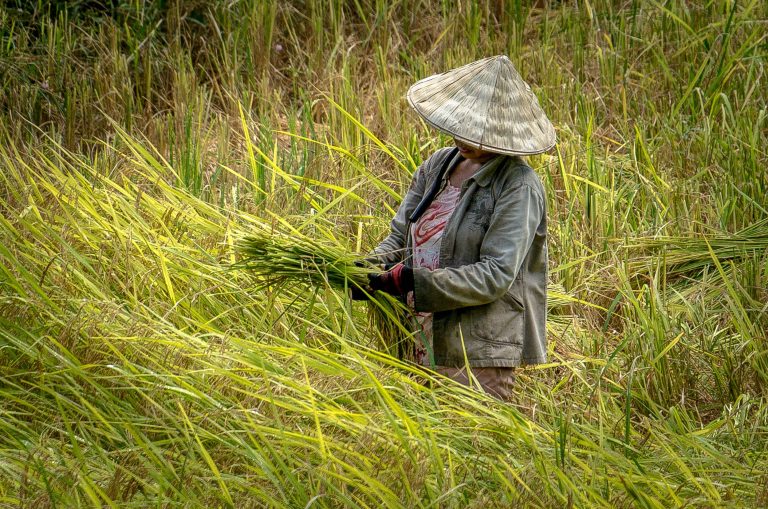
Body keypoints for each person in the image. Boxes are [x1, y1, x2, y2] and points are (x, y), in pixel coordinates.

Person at [365, 55, 555, 400]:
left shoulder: (517, 185)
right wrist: (367, 268)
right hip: (418, 334)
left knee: (471, 447)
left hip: (474, 348)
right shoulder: (437, 165)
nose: (463, 138)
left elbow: (496, 274)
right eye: (462, 126)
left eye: (477, 133)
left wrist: (412, 281)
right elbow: (399, 236)